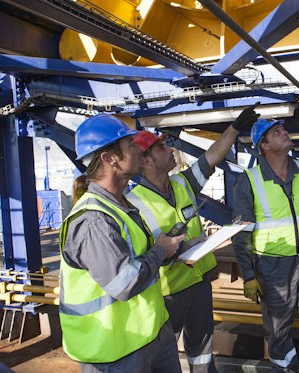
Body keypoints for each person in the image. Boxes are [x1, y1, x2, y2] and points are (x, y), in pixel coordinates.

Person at [125, 104, 259, 373]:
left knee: (202, 353)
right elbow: (136, 257)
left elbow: (212, 156)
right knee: (160, 354)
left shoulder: (183, 183)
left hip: (198, 284)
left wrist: (234, 127)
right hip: (167, 294)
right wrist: (176, 248)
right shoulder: (133, 204)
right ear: (147, 161)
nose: (171, 150)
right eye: (162, 148)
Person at [59, 114, 186, 373]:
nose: (140, 149)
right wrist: (161, 249)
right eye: (131, 145)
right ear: (109, 159)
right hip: (116, 352)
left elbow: (143, 257)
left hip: (152, 334)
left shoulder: (124, 205)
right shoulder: (93, 220)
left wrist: (171, 249)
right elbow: (123, 283)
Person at [231, 118, 299, 373]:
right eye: (277, 132)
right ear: (264, 146)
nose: (285, 133)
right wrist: (248, 275)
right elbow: (241, 234)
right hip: (272, 267)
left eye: (283, 129)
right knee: (278, 331)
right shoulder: (250, 181)